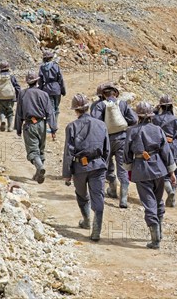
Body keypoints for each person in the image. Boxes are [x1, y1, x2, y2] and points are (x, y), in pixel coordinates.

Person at [123, 102, 176, 249]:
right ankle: (159, 232)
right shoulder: (158, 130)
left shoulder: (131, 131)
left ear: (138, 116)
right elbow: (166, 152)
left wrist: (128, 168)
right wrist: (171, 173)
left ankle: (155, 239)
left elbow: (127, 153)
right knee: (158, 201)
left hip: (142, 170)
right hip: (159, 169)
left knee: (149, 203)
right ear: (151, 116)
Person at [63, 94, 109, 241]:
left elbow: (68, 152)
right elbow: (107, 149)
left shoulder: (71, 127)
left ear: (76, 110)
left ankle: (87, 220)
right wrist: (104, 166)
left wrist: (67, 173)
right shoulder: (101, 125)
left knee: (82, 195)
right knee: (99, 197)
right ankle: (96, 231)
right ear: (88, 107)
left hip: (79, 168)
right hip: (98, 166)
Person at [91, 82, 137, 208]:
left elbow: (95, 123)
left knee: (107, 165)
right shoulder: (122, 104)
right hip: (122, 139)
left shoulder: (98, 105)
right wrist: (124, 125)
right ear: (115, 93)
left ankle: (112, 188)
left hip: (105, 140)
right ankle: (123, 200)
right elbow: (133, 119)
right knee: (122, 168)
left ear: (102, 95)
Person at [15, 70, 57, 184]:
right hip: (41, 125)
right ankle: (38, 172)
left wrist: (18, 128)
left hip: (29, 125)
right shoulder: (44, 94)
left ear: (28, 82)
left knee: (33, 151)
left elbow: (19, 113)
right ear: (37, 81)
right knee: (41, 149)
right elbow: (50, 112)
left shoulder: (22, 94)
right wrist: (53, 128)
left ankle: (39, 167)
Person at [153, 94, 177, 207]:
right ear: (171, 106)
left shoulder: (155, 119)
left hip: (160, 147)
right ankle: (172, 191)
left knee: (164, 170)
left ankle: (168, 189)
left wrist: (156, 110)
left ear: (161, 106)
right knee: (176, 170)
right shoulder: (175, 120)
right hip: (173, 147)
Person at [0, 61, 21, 132]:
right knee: (10, 112)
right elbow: (17, 87)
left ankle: (3, 120)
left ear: (0, 68)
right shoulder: (11, 76)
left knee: (0, 111)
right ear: (8, 68)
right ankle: (10, 127)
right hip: (10, 97)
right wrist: (18, 97)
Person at [38, 50, 66, 125]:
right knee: (56, 107)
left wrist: (40, 90)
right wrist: (63, 90)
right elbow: (60, 79)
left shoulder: (42, 67)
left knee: (51, 107)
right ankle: (55, 123)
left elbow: (40, 80)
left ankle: (52, 124)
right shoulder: (56, 66)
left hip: (46, 89)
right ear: (51, 58)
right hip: (56, 88)